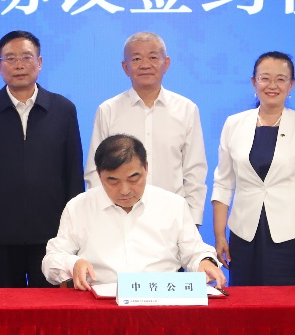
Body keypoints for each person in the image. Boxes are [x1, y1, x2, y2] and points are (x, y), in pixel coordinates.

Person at [0, 30, 85, 288]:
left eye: (26, 57)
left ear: (39, 62)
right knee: (6, 305)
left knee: (49, 306)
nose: (19, 65)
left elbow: (73, 173)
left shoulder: (63, 110)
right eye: (10, 58)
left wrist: (76, 231)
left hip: (52, 234)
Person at [44, 134, 225, 290]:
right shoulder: (79, 207)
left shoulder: (173, 205)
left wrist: (205, 262)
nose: (124, 190)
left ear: (146, 168)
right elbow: (51, 261)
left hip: (161, 301)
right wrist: (73, 263)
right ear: (98, 174)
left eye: (133, 178)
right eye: (113, 181)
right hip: (101, 304)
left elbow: (195, 252)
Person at [211, 52, 295, 286]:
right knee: (247, 303)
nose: (272, 85)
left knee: (290, 305)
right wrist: (219, 235)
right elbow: (223, 183)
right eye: (265, 78)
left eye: (281, 79)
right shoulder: (234, 124)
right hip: (244, 236)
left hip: (293, 238)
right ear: (254, 82)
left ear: (291, 84)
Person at [86, 31, 208, 224]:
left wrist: (192, 221)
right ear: (125, 67)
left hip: (171, 218)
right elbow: (95, 171)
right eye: (136, 59)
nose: (145, 65)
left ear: (166, 63)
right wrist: (102, 218)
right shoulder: (108, 110)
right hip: (119, 217)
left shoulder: (186, 109)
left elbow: (194, 171)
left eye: (153, 57)